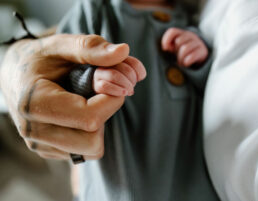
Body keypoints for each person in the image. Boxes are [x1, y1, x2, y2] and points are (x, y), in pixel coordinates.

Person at [1, 0, 219, 201]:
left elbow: (215, 88)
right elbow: (63, 75)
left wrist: (198, 59)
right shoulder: (94, 12)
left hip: (190, 171)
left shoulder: (188, 16)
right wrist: (91, 79)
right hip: (120, 177)